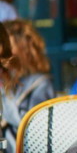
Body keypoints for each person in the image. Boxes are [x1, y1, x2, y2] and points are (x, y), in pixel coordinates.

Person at [1, 19, 56, 152]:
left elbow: (34, 129)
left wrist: (3, 91)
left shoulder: (41, 84)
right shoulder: (10, 81)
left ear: (23, 49)